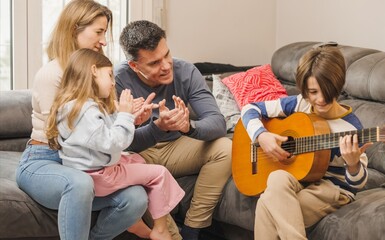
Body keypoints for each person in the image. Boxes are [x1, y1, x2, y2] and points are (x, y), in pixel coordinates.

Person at [15, 1, 148, 239]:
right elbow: (69, 135)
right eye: (98, 32)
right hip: (46, 159)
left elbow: (102, 129)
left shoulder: (99, 73)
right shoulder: (52, 74)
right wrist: (118, 118)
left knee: (136, 197)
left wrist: (128, 118)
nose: (104, 41)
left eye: (105, 33)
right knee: (79, 184)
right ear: (74, 29)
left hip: (86, 161)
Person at [45, 48, 186, 240]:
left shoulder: (75, 106)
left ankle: (134, 222)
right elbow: (114, 142)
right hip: (100, 176)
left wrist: (131, 119)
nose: (113, 83)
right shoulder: (86, 111)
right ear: (93, 71)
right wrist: (126, 115)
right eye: (109, 75)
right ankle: (160, 230)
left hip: (90, 171)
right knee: (159, 173)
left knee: (138, 160)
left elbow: (101, 134)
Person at [114, 20, 232, 240]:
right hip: (139, 152)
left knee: (226, 148)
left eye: (167, 54)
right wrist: (157, 128)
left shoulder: (185, 71)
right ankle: (171, 235)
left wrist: (189, 127)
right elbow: (121, 143)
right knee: (121, 163)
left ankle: (193, 229)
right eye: (155, 63)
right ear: (135, 66)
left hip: (179, 147)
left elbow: (217, 123)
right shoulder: (117, 79)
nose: (166, 65)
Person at [240, 45, 372, 240]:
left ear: (337, 86)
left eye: (327, 91)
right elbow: (249, 109)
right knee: (276, 178)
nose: (320, 99)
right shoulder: (300, 104)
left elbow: (358, 182)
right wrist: (261, 135)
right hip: (298, 178)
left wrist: (353, 165)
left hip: (331, 187)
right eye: (313, 92)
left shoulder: (350, 127)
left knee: (267, 204)